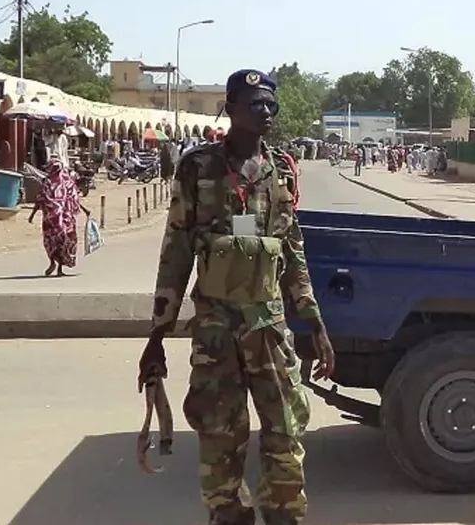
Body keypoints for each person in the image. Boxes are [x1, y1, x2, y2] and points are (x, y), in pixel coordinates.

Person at [138, 68, 334, 525]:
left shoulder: (281, 170)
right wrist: (157, 334)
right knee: (219, 436)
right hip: (216, 330)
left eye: (271, 104)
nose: (265, 112)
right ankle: (229, 517)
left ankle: (283, 514)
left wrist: (315, 323)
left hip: (268, 327)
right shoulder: (198, 167)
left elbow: (292, 250)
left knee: (286, 430)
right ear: (230, 110)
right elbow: (176, 252)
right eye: (254, 105)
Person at [28, 159, 91, 277]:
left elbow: (40, 200)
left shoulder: (49, 182)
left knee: (52, 242)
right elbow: (74, 199)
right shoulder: (67, 182)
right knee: (63, 242)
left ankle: (54, 263)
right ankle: (59, 267)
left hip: (52, 221)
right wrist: (84, 210)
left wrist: (32, 215)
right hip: (66, 221)